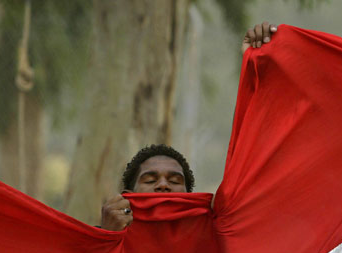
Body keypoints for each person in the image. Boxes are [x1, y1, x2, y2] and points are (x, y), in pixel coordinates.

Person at [101, 22, 278, 231]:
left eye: (175, 181)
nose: (163, 185)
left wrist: (259, 66)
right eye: (149, 179)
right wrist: (105, 237)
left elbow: (256, 152)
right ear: (127, 197)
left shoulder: (213, 243)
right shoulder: (102, 242)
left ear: (190, 199)